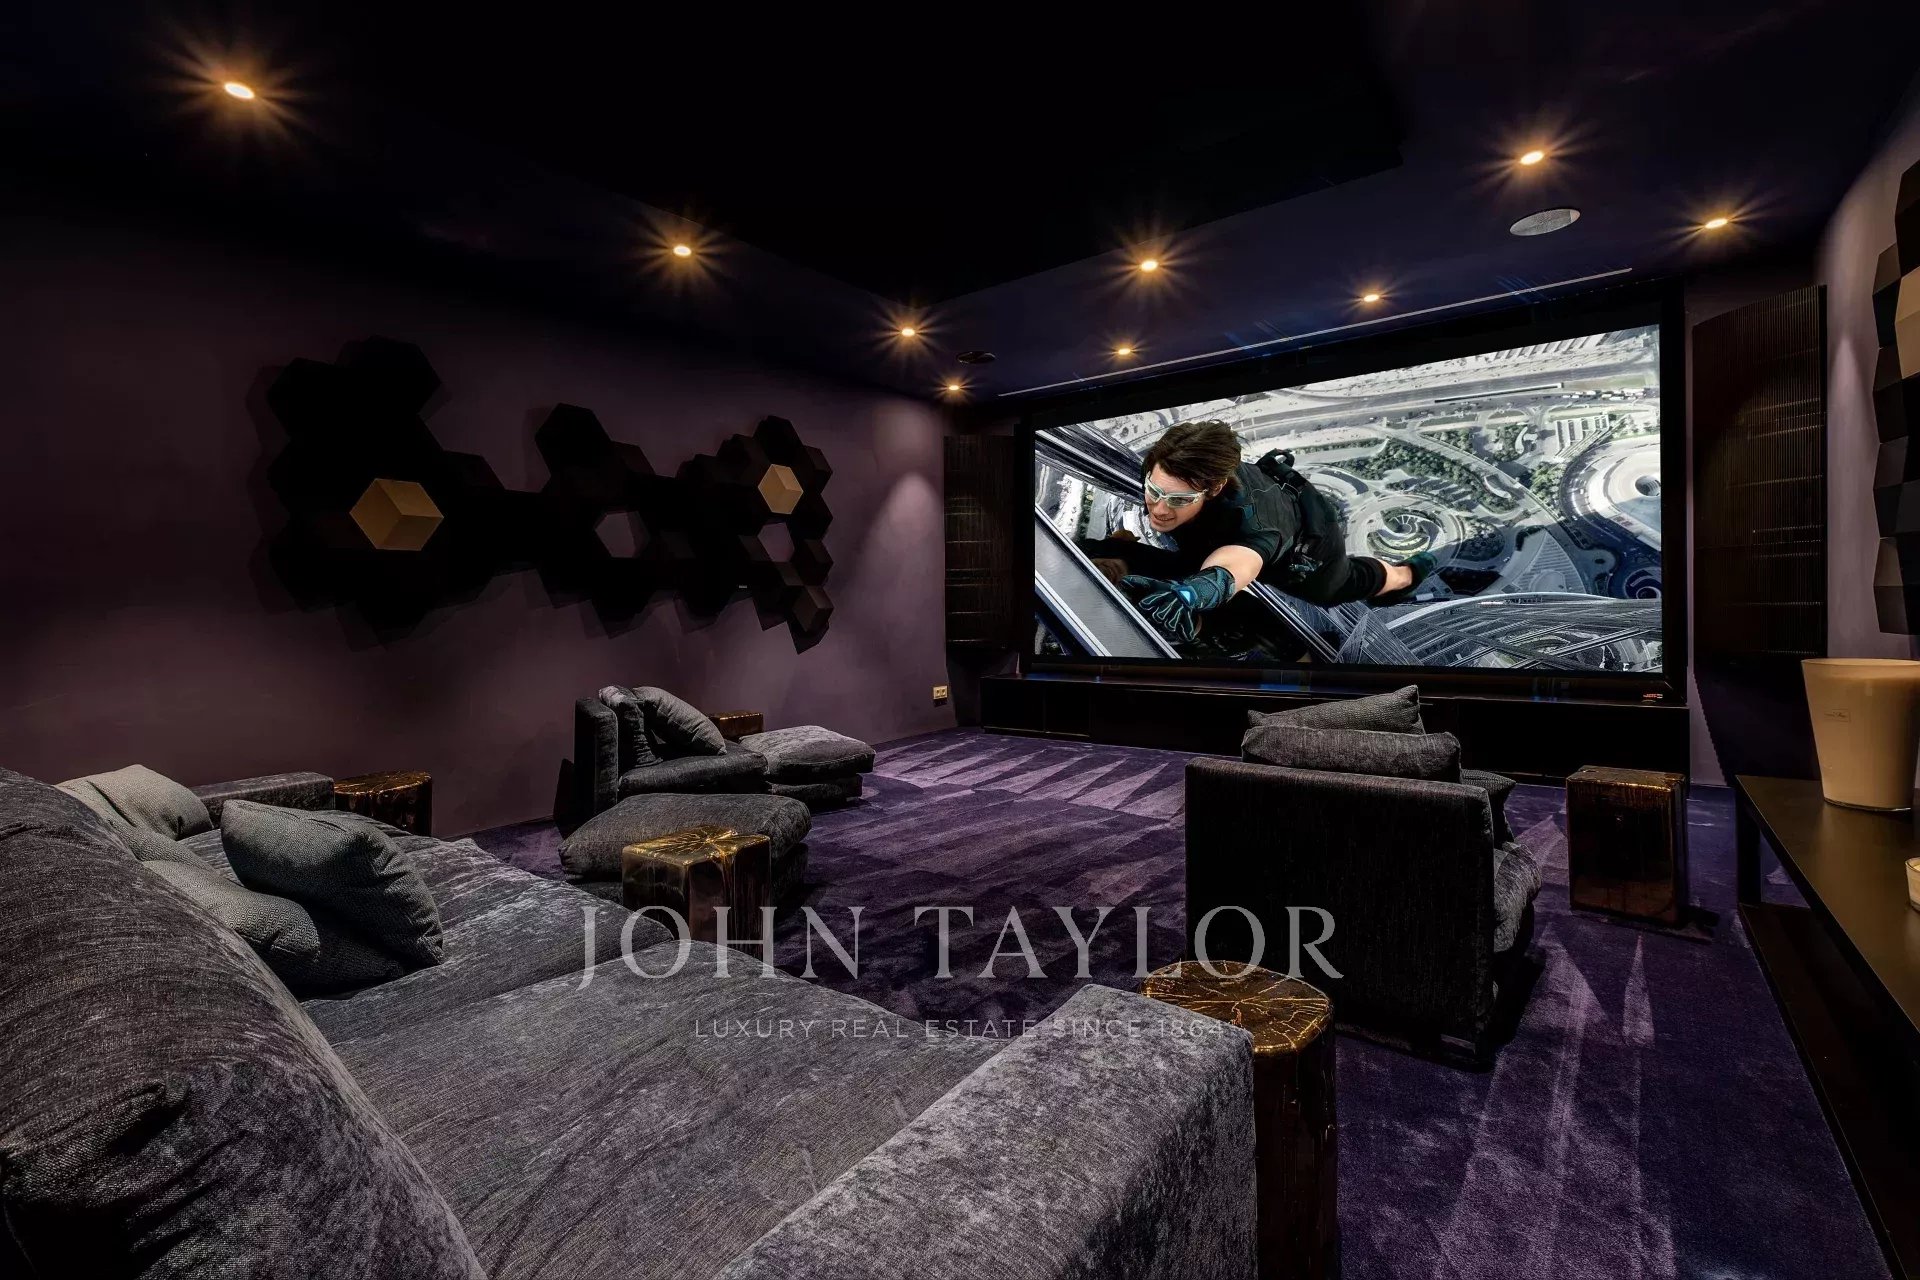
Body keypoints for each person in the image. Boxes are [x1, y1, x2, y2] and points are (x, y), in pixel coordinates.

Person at [1075, 419, 1436, 644]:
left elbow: (1234, 566)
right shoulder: (1162, 469)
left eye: (1178, 499)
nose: (1159, 508)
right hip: (1227, 529)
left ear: (1214, 489)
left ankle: (1407, 574)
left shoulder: (1255, 528)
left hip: (1307, 545)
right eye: (1154, 491)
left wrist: (1188, 595)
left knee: (1341, 586)